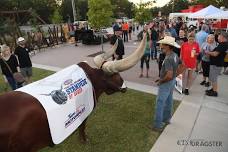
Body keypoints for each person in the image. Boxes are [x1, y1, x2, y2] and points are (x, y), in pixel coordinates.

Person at [152, 36, 185, 131]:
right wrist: (175, 75)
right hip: (171, 82)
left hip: (166, 82)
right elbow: (183, 66)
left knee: (160, 102)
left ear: (167, 46)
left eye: (162, 44)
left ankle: (157, 125)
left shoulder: (168, 58)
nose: (160, 45)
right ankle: (166, 119)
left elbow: (169, 75)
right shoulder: (174, 55)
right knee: (169, 100)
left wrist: (161, 80)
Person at [206, 32, 228, 97]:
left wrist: (208, 52)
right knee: (212, 78)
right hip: (216, 63)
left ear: (222, 37)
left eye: (218, 36)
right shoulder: (223, 44)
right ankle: (213, 89)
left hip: (216, 64)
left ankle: (214, 92)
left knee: (214, 78)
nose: (217, 37)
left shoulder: (223, 44)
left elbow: (215, 54)